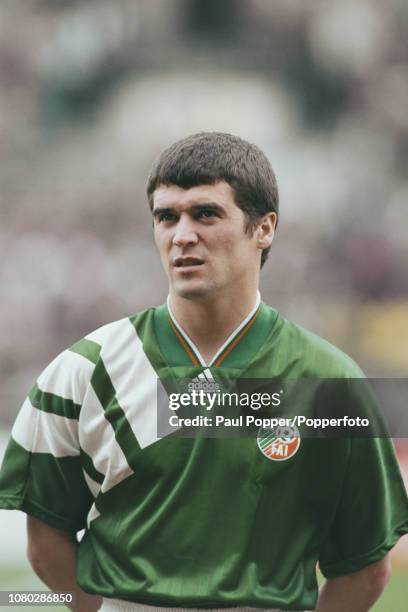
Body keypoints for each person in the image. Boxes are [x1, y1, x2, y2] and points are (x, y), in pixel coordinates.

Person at [0, 132, 407, 612]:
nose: (182, 234)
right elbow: (44, 542)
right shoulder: (84, 370)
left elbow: (366, 565)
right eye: (166, 216)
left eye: (206, 213)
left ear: (264, 228)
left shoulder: (329, 383)